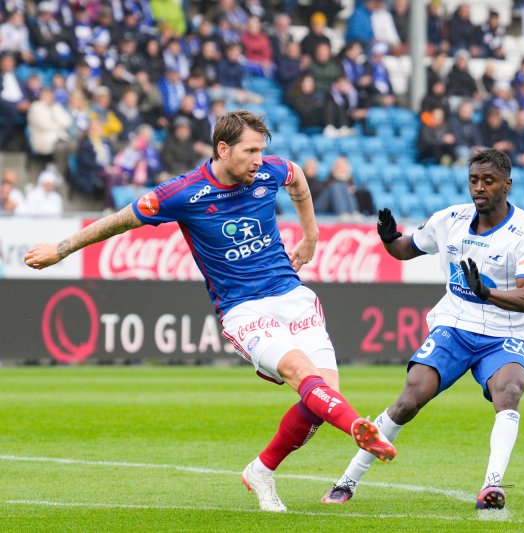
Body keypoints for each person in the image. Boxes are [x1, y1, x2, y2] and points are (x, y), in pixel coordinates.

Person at [24, 110, 397, 512]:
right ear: (223, 149)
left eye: (261, 150)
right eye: (250, 150)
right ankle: (361, 427)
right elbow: (119, 222)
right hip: (243, 309)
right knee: (301, 374)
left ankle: (261, 470)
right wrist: (60, 250)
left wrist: (311, 237)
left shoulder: (269, 171)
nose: (259, 159)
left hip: (292, 295)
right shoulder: (183, 193)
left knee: (323, 400)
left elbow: (297, 179)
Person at [321, 148, 524, 511]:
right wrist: (387, 236)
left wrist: (486, 292)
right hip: (454, 326)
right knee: (411, 398)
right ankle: (347, 481)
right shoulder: (450, 219)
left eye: (488, 181)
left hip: (505, 333)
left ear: (507, 184)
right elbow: (404, 250)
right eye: (474, 180)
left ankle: (492, 486)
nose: (479, 188)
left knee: (509, 390)